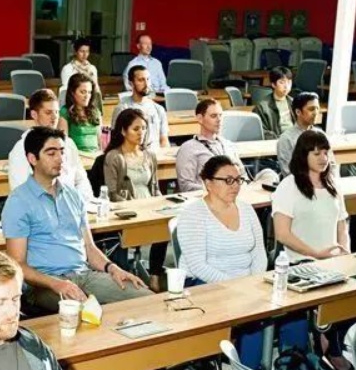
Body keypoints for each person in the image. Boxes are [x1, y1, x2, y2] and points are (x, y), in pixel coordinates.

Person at [2, 126, 167, 370]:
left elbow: (90, 249)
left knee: (147, 299)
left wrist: (113, 269)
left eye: (61, 152)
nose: (59, 158)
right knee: (80, 316)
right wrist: (56, 284)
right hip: (44, 284)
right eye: (51, 153)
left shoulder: (72, 195)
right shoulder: (19, 202)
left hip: (83, 274)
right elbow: (17, 265)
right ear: (32, 159)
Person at [177, 155, 309, 369]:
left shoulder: (246, 209)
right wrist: (237, 287)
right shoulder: (193, 214)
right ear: (208, 183)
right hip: (206, 285)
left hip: (248, 283)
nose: (235, 186)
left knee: (295, 313)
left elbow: (259, 253)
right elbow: (198, 265)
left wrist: (253, 282)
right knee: (252, 320)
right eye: (228, 180)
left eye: (238, 180)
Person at [272, 130, 351, 370]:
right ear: (303, 155)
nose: (323, 158)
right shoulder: (289, 186)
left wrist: (346, 254)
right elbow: (282, 234)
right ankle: (325, 342)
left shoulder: (333, 185)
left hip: (332, 262)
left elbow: (342, 225)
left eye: (326, 152)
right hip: (301, 263)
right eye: (316, 153)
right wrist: (316, 254)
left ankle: (330, 338)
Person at [104, 108, 168, 292]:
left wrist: (162, 205)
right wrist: (135, 208)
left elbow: (155, 188)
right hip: (127, 210)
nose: (141, 133)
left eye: (144, 128)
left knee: (165, 224)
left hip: (149, 207)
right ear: (123, 131)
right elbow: (112, 193)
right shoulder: (114, 157)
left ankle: (154, 274)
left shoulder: (149, 156)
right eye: (136, 129)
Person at [8, 88, 92, 200]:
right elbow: (20, 191)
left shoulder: (68, 143)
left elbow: (81, 180)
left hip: (72, 205)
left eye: (56, 112)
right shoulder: (21, 149)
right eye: (48, 113)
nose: (54, 118)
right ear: (34, 114)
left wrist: (80, 202)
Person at [175, 98, 248, 191]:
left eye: (220, 115)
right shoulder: (188, 148)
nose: (219, 120)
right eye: (213, 116)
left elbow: (243, 176)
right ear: (200, 119)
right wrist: (217, 190)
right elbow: (185, 185)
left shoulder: (228, 145)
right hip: (206, 197)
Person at [112, 65, 170, 150]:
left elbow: (164, 140)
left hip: (155, 154)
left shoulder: (159, 109)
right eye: (141, 80)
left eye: (148, 79)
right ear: (131, 83)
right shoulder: (122, 109)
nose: (146, 84)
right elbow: (116, 140)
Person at [277, 92, 331, 176]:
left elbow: (332, 164)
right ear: (298, 112)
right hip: (298, 182)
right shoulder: (286, 139)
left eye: (317, 108)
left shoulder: (321, 135)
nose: (316, 112)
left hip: (322, 181)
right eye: (311, 109)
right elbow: (287, 171)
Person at [57, 73, 101, 152]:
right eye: (83, 92)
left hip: (95, 154)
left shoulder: (95, 111)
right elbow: (64, 143)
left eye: (89, 92)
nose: (87, 96)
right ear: (72, 92)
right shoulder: (65, 112)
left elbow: (100, 140)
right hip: (76, 155)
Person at [253, 66, 295, 140]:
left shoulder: (294, 102)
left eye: (289, 82)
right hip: (277, 141)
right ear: (273, 84)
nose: (286, 86)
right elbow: (261, 131)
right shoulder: (263, 106)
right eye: (282, 82)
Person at [61, 37, 102, 111]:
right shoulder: (67, 69)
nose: (85, 54)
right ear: (75, 52)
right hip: (73, 104)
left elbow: (95, 88)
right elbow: (67, 90)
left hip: (90, 102)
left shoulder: (92, 68)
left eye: (87, 51)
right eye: (82, 51)